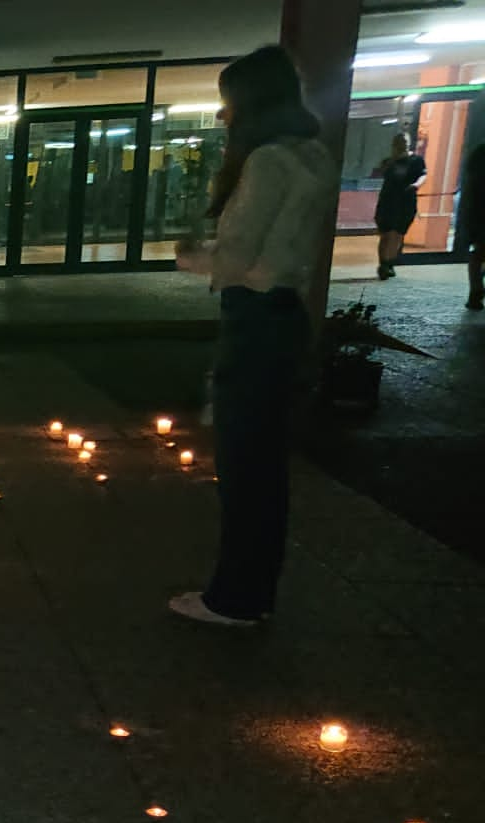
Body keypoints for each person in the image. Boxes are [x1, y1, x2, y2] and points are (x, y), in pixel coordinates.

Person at [171, 45, 336, 627]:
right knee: (264, 467)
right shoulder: (312, 155)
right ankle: (250, 591)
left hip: (256, 318)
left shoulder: (267, 161)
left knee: (244, 465)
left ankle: (235, 598)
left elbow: (244, 259)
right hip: (286, 316)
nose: (223, 117)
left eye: (227, 104)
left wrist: (190, 256)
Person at [373, 132, 426, 279]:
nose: (401, 145)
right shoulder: (389, 161)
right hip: (388, 202)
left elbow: (422, 175)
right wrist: (393, 160)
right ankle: (383, 264)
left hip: (405, 202)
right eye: (398, 143)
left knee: (397, 235)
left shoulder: (416, 160)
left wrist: (415, 185)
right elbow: (382, 172)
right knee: (386, 234)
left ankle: (389, 263)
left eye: (404, 142)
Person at [457, 141, 485, 310]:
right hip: (479, 216)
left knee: (478, 254)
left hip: (477, 216)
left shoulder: (478, 156)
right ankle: (476, 289)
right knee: (479, 254)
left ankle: (475, 290)